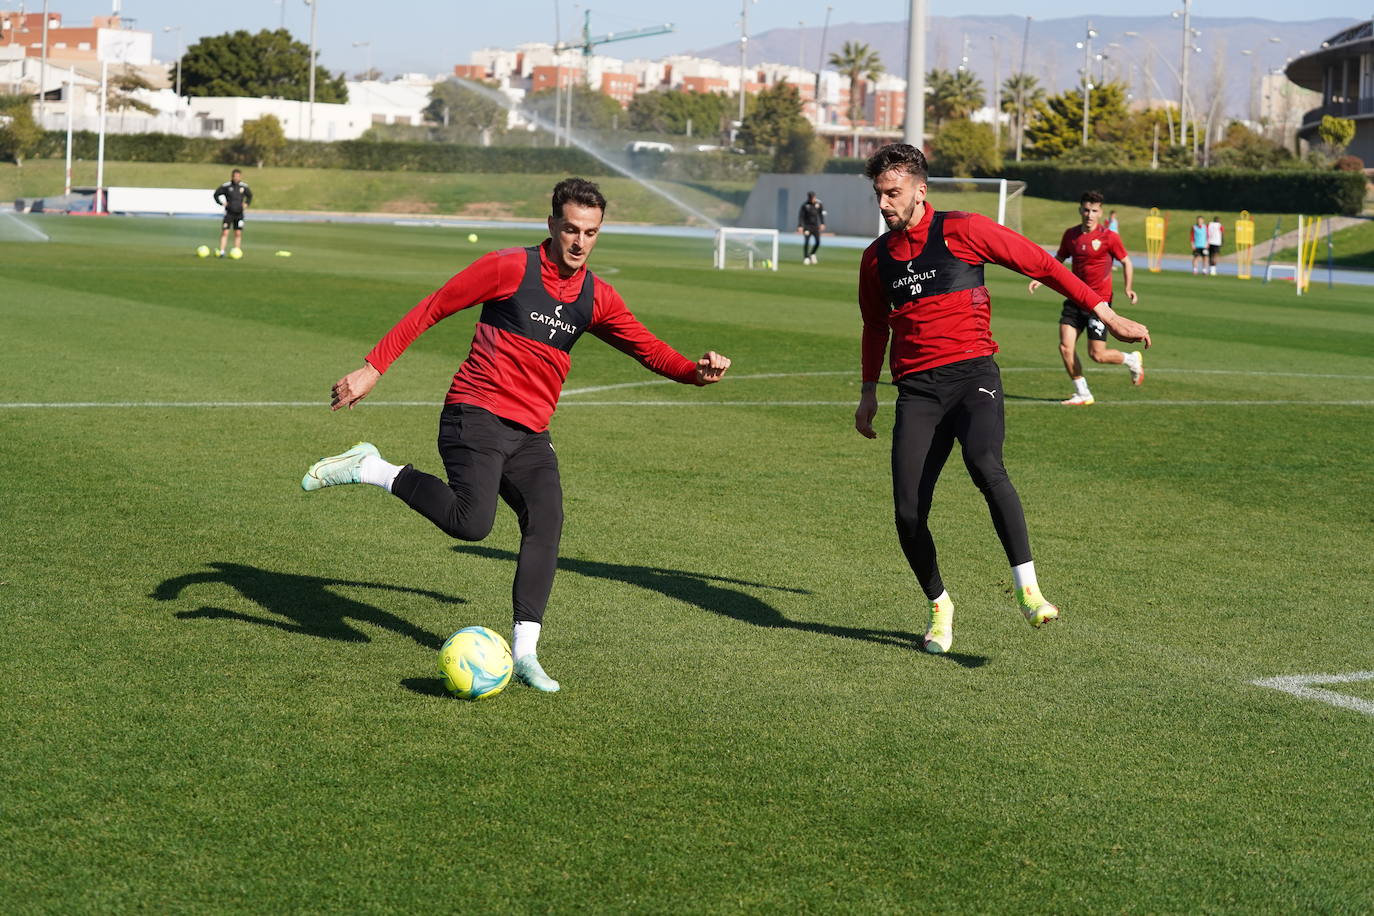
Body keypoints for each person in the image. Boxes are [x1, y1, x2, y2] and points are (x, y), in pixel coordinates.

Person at [300, 178, 732, 692]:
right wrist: (374, 366)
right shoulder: (510, 267)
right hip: (474, 414)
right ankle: (370, 467)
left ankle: (525, 654)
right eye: (570, 228)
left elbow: (649, 349)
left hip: (530, 434)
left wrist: (693, 371)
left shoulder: (598, 298)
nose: (578, 242)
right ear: (551, 225)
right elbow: (436, 305)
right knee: (471, 523)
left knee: (546, 521)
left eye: (590, 232)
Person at [853, 144, 1150, 656]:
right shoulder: (876, 258)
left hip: (973, 378)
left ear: (921, 191)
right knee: (907, 511)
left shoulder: (964, 229)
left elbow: (1044, 265)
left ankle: (1028, 587)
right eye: (878, 193)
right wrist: (866, 392)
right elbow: (875, 325)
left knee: (985, 463)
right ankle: (939, 604)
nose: (883, 203)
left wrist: (1110, 314)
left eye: (892, 193)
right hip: (918, 391)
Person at [1028, 190, 1144, 406]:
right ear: (1080, 210)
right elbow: (1058, 260)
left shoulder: (1110, 237)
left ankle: (1131, 359)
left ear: (1100, 213)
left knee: (1097, 355)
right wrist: (1041, 278)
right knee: (1065, 347)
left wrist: (1128, 288)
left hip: (1099, 304)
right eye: (1086, 210)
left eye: (1094, 211)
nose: (1089, 214)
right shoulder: (1070, 235)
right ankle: (1083, 392)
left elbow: (1126, 261)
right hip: (1074, 299)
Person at [213, 169, 252, 257]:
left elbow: (250, 196)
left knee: (238, 233)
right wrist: (221, 203)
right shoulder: (226, 186)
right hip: (229, 213)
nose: (236, 178)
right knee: (225, 232)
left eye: (238, 176)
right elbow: (216, 194)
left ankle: (236, 251)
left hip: (239, 213)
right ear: (232, 176)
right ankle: (222, 251)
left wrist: (246, 204)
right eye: (235, 176)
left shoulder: (244, 186)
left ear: (240, 177)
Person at [797, 191, 826, 265]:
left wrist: (822, 223)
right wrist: (800, 225)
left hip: (815, 226)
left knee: (818, 242)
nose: (812, 199)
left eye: (813, 197)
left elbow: (821, 214)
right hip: (807, 226)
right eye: (810, 197)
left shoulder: (819, 204)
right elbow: (801, 216)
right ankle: (806, 257)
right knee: (807, 242)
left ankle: (812, 253)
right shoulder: (805, 205)